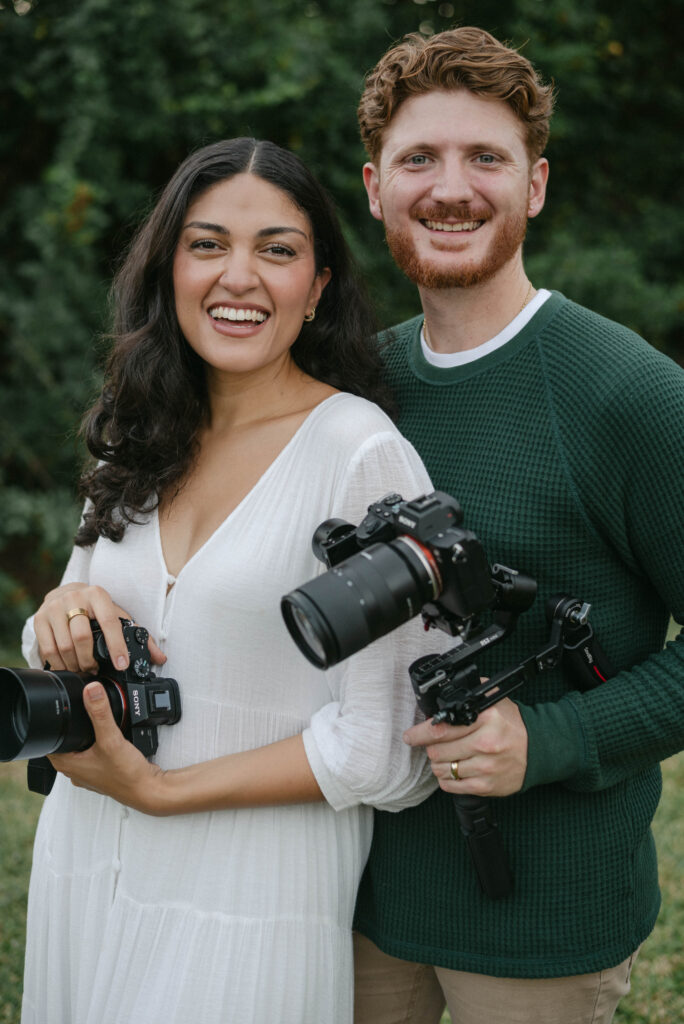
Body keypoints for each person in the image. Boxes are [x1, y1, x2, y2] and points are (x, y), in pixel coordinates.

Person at [19, 137, 438, 1024]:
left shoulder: (360, 453)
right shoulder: (142, 427)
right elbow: (53, 627)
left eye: (276, 250)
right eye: (207, 244)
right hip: (88, 861)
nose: (237, 276)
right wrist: (60, 610)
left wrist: (163, 792)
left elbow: (384, 745)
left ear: (319, 285)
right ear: (169, 266)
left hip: (252, 891)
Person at [351, 26, 684, 1024]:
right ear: (375, 189)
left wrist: (551, 739)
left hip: (545, 922)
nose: (451, 187)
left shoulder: (629, 393)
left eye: (485, 158)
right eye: (421, 159)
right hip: (356, 893)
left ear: (533, 185)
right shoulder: (351, 388)